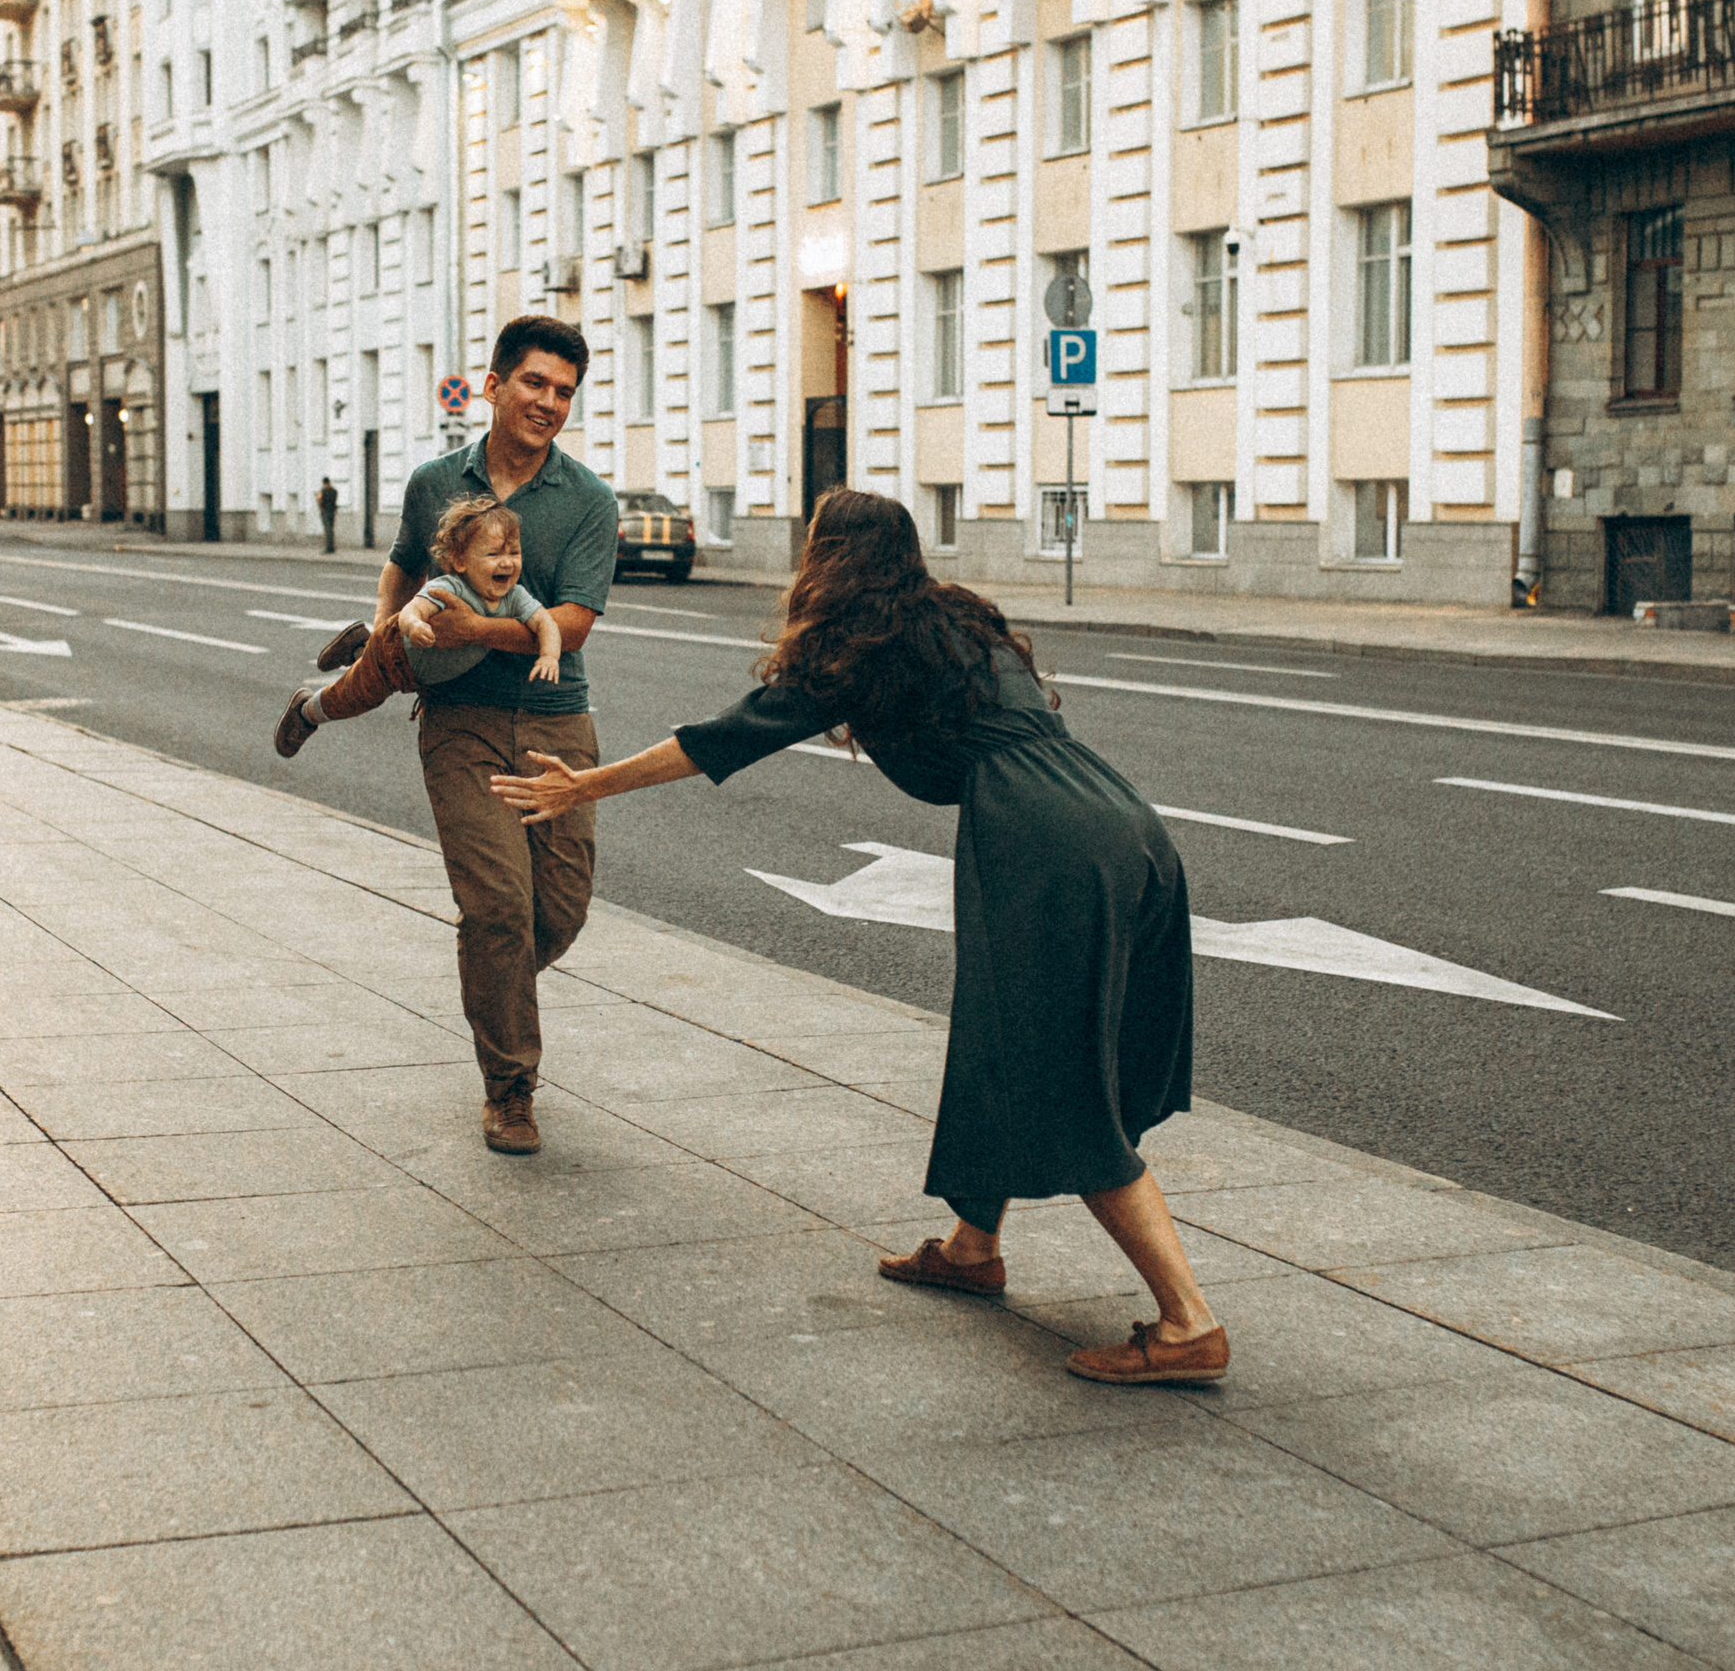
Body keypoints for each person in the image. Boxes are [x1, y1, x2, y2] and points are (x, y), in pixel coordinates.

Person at [491, 487, 1227, 1386]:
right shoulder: (954, 619)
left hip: (1044, 844)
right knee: (998, 1042)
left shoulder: (858, 649)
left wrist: (585, 785)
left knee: (1054, 1070)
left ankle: (1188, 1322)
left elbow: (724, 739)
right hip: (1121, 819)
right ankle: (973, 1248)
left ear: (829, 558)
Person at [359, 316, 618, 1156]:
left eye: (565, 392)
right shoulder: (435, 481)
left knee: (559, 911)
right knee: (499, 907)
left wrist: (473, 628)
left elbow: (571, 624)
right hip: (460, 721)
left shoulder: (588, 499)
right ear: (495, 384)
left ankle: (493, 977)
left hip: (556, 720)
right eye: (536, 383)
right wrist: (385, 637)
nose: (550, 403)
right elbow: (404, 563)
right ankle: (510, 1090)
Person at [273, 495, 561, 758]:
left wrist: (549, 655)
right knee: (353, 697)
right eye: (494, 554)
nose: (507, 563)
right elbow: (412, 609)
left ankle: (360, 646)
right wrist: (414, 625)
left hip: (416, 675)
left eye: (514, 553)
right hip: (394, 653)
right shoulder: (450, 588)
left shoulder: (515, 597)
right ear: (460, 560)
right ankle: (306, 711)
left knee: (362, 684)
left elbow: (545, 622)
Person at [316, 475, 340, 555]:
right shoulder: (334, 491)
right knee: (331, 530)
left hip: (325, 512)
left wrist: (322, 508)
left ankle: (328, 548)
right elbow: (335, 500)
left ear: (323, 483)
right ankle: (332, 547)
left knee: (327, 530)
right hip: (332, 512)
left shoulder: (322, 491)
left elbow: (319, 500)